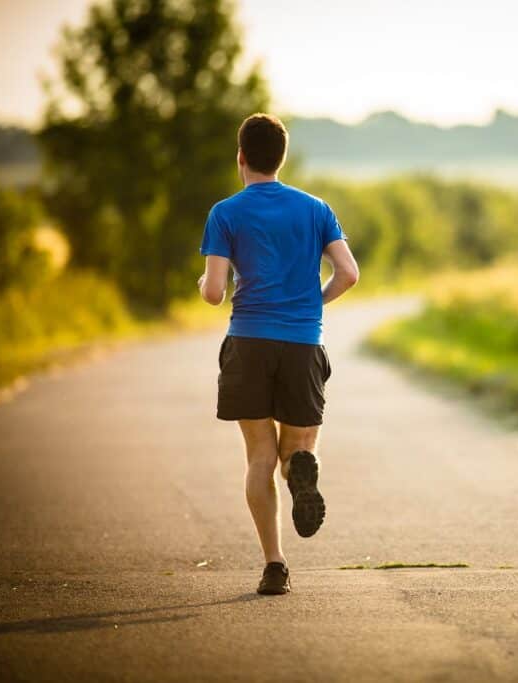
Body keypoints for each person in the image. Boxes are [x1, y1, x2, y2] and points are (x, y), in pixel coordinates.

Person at [197, 113, 359, 595]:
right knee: (296, 451)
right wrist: (315, 301)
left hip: (249, 342)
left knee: (258, 459)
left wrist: (202, 284)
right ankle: (302, 471)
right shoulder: (315, 209)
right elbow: (348, 273)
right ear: (281, 158)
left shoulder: (225, 213)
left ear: (241, 157)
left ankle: (274, 565)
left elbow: (214, 292)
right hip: (302, 342)